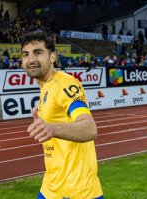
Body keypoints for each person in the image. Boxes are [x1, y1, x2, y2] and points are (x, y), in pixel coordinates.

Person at [20, 30, 103, 199]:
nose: (31, 59)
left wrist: (53, 129)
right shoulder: (46, 88)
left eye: (38, 53)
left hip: (75, 192)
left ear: (52, 57)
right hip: (51, 187)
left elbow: (89, 128)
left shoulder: (64, 83)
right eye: (25, 54)